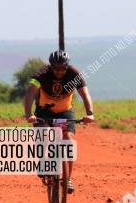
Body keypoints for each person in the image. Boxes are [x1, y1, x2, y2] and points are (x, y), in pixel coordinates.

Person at [23, 50, 95, 193]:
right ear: (51, 66)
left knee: (67, 139)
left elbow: (85, 94)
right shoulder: (42, 73)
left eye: (63, 68)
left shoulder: (74, 74)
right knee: (42, 135)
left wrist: (90, 114)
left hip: (64, 112)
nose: (59, 71)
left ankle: (67, 178)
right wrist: (28, 114)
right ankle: (43, 162)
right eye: (56, 68)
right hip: (44, 111)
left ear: (67, 66)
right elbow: (30, 93)